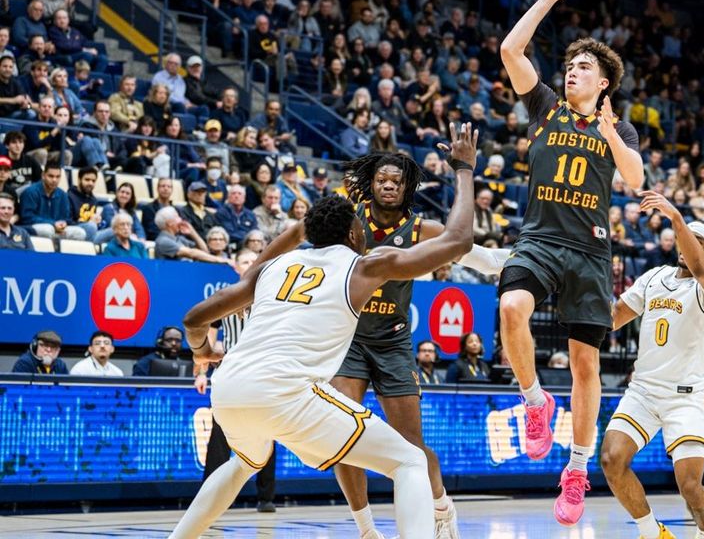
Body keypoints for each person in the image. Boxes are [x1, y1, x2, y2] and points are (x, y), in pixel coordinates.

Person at [169, 122, 480, 539]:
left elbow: (192, 319)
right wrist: (463, 169)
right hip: (286, 393)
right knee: (408, 461)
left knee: (242, 463)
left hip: (229, 388)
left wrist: (201, 351)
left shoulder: (269, 269)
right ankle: (380, 529)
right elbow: (458, 240)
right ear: (355, 233)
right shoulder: (363, 266)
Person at [498, 0, 643, 525]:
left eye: (583, 67)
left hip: (589, 251)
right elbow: (512, 51)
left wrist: (610, 134)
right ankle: (536, 402)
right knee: (512, 308)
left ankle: (577, 468)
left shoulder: (619, 127)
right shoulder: (543, 107)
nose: (571, 71)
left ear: (602, 82)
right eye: (569, 65)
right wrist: (545, 0)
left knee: (587, 364)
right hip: (538, 239)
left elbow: (635, 181)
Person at [330, 151, 509, 539]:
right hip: (348, 339)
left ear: (407, 186)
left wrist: (542, 256)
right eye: (382, 180)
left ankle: (441, 506)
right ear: (371, 184)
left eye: (396, 180)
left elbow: (488, 259)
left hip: (393, 342)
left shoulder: (420, 228)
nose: (389, 185)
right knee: (340, 432)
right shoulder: (348, 217)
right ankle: (366, 530)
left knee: (411, 443)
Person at [602, 191, 704, 539]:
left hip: (684, 398)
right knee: (612, 460)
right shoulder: (655, 276)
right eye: (688, 238)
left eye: (699, 241)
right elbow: (615, 317)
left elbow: (701, 267)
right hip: (643, 391)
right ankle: (652, 532)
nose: (689, 245)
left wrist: (676, 216)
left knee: (690, 487)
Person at [196, 248, 276, 513]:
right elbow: (209, 339)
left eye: (254, 260)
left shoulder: (271, 295)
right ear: (236, 267)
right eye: (245, 260)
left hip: (262, 375)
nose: (250, 264)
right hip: (229, 373)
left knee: (267, 436)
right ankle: (209, 496)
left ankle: (266, 498)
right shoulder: (225, 297)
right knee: (219, 438)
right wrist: (201, 371)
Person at [21, 163, 90, 240]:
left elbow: (66, 218)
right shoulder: (30, 192)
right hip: (36, 227)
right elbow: (27, 218)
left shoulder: (63, 195)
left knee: (79, 233)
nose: (54, 180)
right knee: (47, 229)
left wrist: (64, 223)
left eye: (58, 177)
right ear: (43, 175)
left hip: (57, 229)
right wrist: (53, 223)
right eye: (51, 176)